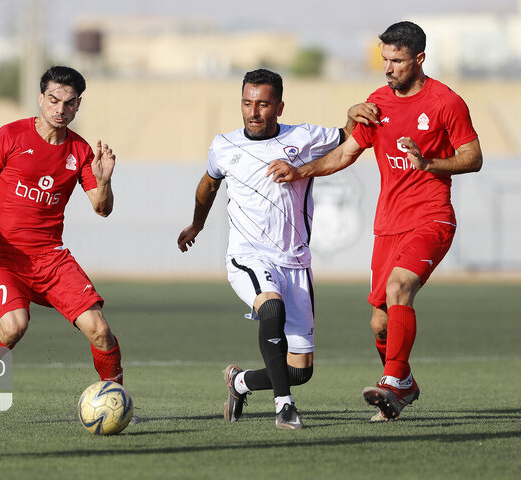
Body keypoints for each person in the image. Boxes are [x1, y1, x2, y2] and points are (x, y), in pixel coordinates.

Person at [267, 21, 482, 421]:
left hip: (431, 218)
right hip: (388, 226)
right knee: (380, 324)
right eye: (384, 59)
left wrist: (428, 163)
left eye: (397, 61)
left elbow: (473, 157)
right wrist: (301, 171)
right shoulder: (376, 103)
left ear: (419, 59)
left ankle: (391, 383)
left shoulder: (445, 102)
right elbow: (345, 153)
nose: (388, 68)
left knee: (400, 287)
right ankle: (405, 382)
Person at [177, 69, 373, 429]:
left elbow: (346, 137)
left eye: (263, 104)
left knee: (299, 371)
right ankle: (284, 407)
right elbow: (207, 186)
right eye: (247, 103)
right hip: (248, 255)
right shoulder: (225, 145)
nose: (253, 112)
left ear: (279, 107)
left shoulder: (305, 137)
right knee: (271, 308)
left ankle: (240, 382)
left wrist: (353, 114)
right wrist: (197, 224)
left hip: (296, 262)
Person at [0, 66, 124, 403]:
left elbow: (102, 209)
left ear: (78, 105)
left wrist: (105, 180)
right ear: (41, 99)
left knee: (100, 329)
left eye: (68, 103)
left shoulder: (80, 151)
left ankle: (116, 399)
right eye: (53, 100)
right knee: (15, 325)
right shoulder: (10, 135)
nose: (60, 109)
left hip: (51, 258)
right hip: (2, 253)